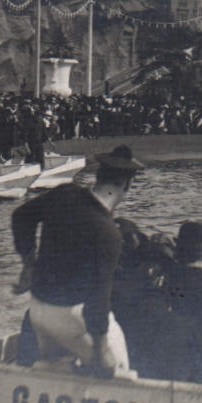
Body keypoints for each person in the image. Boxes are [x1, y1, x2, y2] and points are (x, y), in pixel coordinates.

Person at [9, 144, 146, 378]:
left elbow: (21, 216)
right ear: (126, 185)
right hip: (71, 316)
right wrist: (102, 349)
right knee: (117, 370)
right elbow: (98, 297)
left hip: (39, 310)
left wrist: (28, 263)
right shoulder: (109, 233)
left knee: (52, 369)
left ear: (99, 176)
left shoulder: (64, 193)